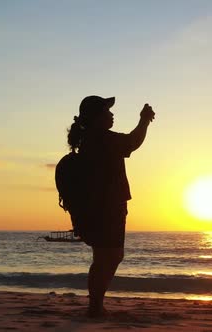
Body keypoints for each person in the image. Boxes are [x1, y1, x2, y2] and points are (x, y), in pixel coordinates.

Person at [66, 95, 155, 317]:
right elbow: (133, 142)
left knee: (104, 258)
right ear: (97, 117)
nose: (112, 114)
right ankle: (95, 307)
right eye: (107, 111)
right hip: (108, 207)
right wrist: (144, 120)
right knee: (112, 256)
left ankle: (95, 305)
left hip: (98, 207)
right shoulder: (102, 139)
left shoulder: (90, 139)